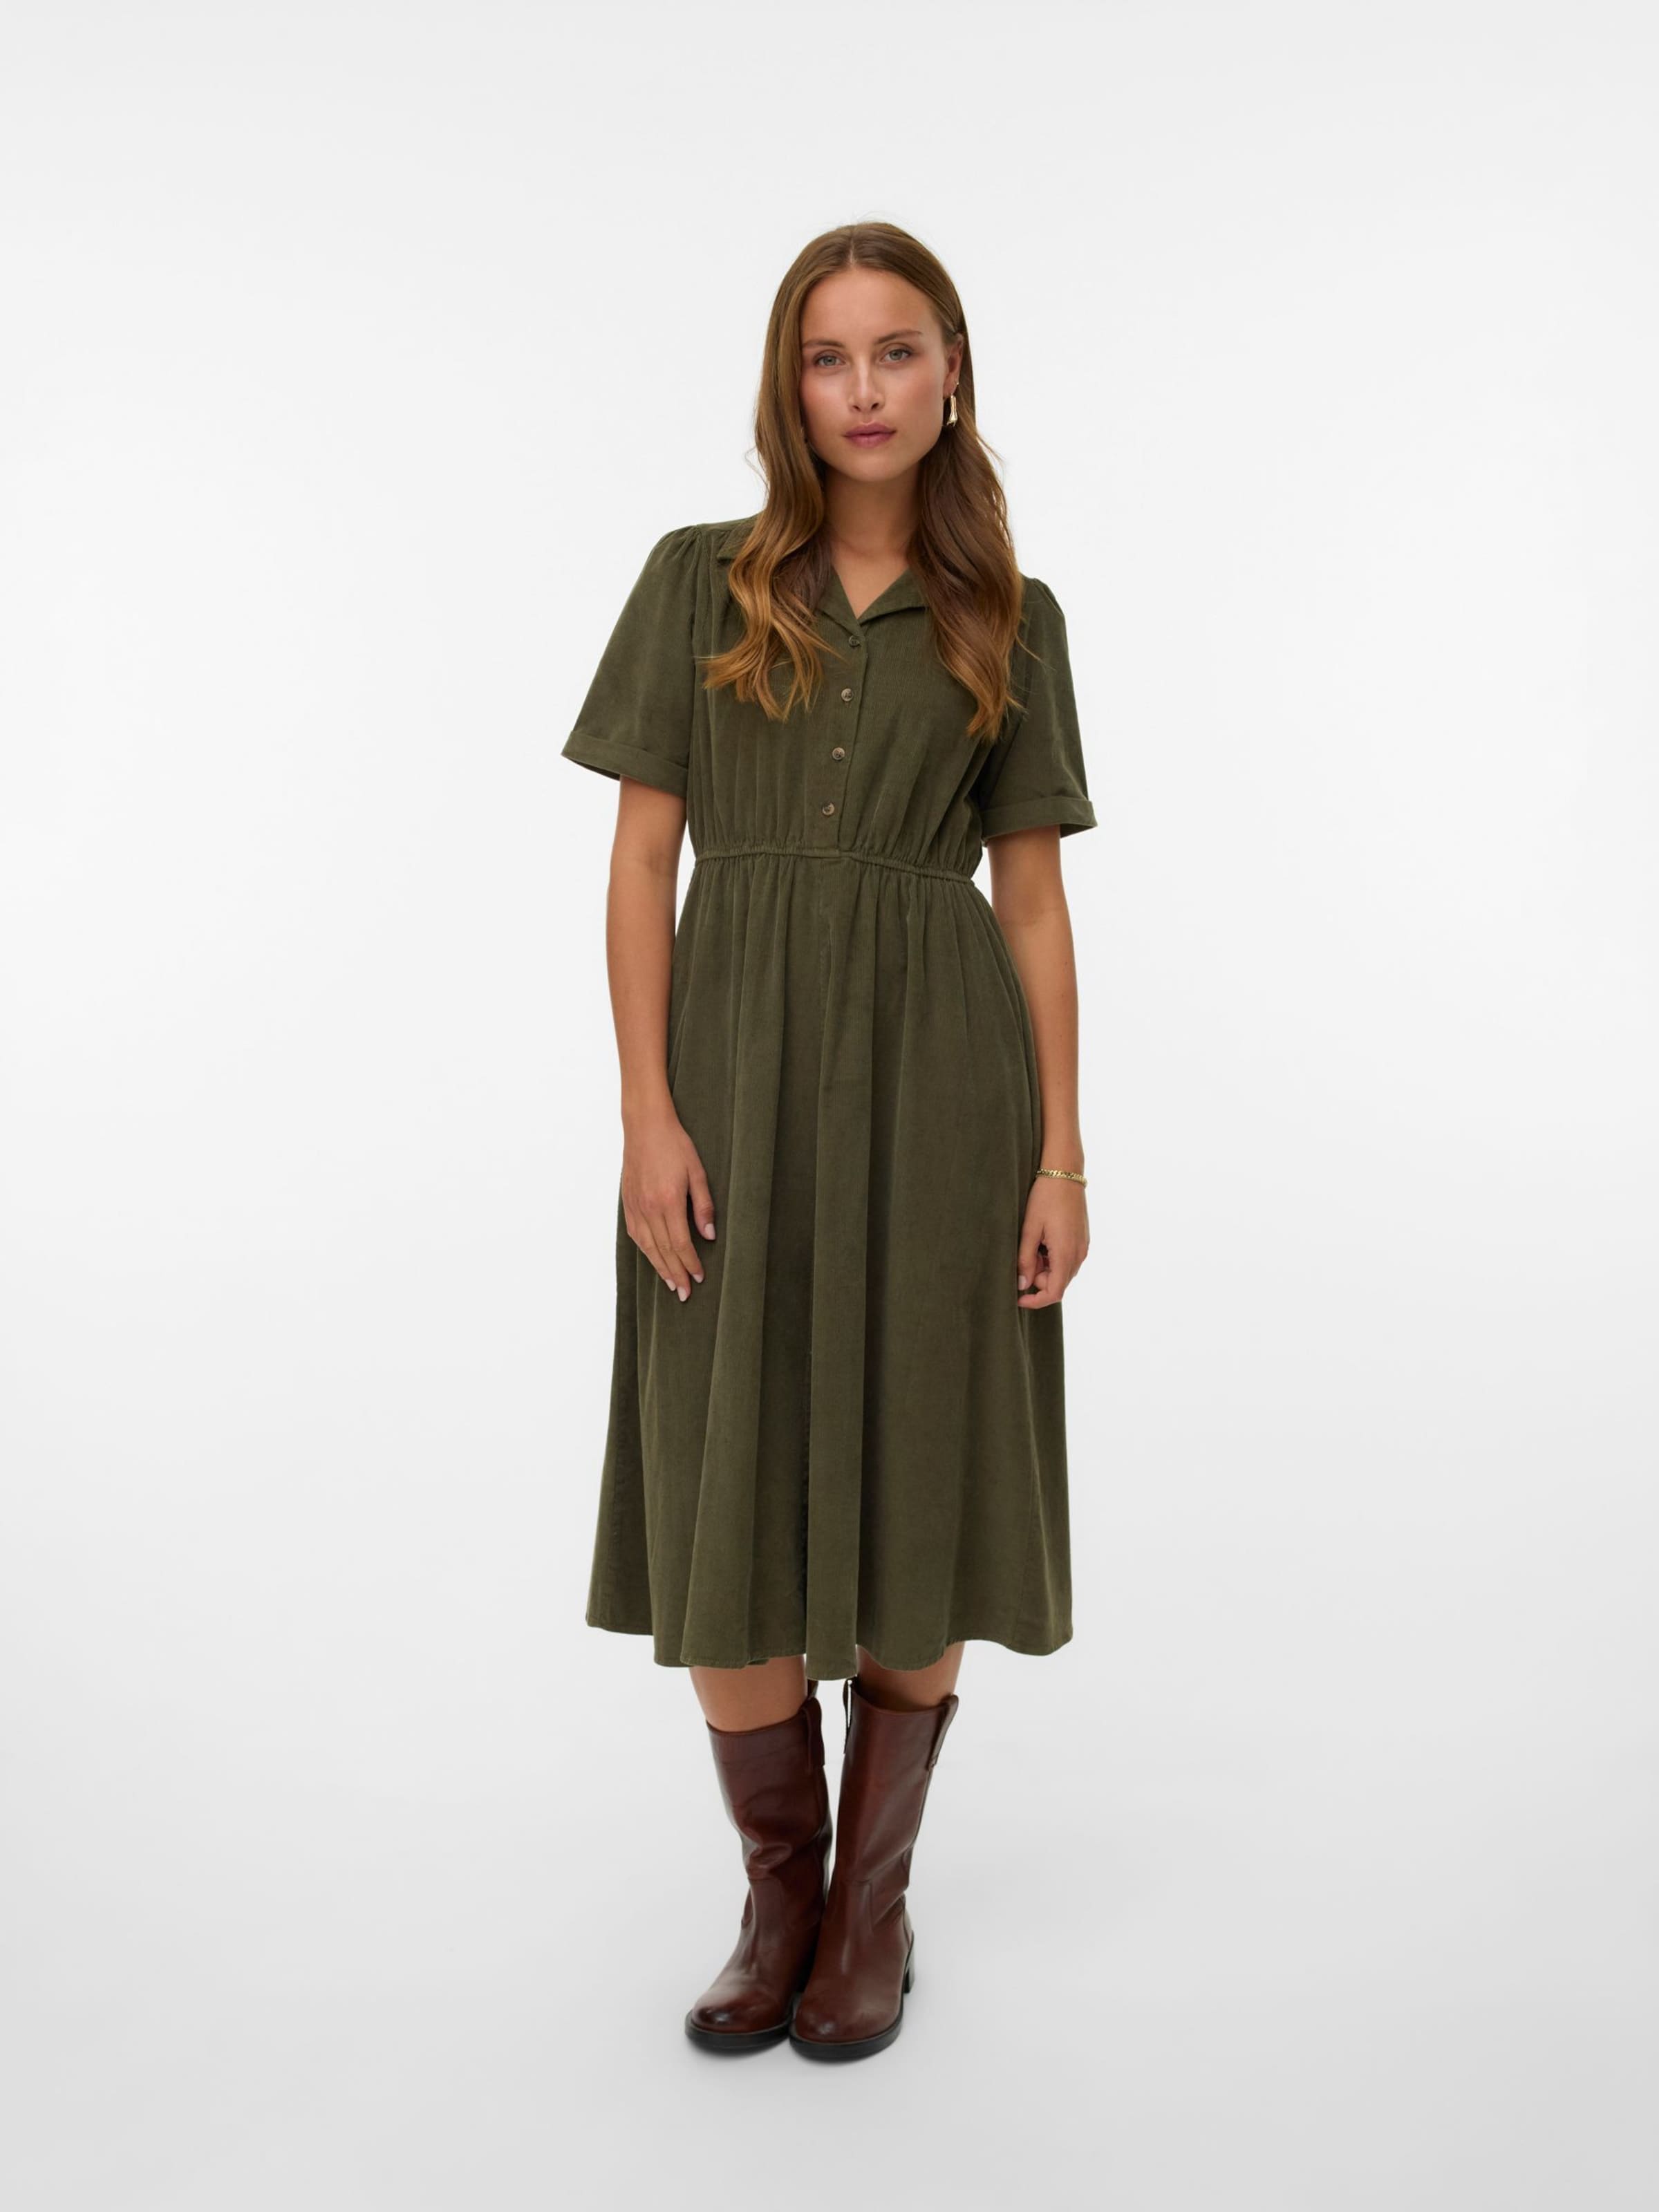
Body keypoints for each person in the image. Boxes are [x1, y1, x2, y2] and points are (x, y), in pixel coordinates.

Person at [561, 221, 1096, 2060]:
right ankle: (778, 1896)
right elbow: (642, 860)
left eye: (897, 351)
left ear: (953, 374)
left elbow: (1033, 902)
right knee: (725, 1479)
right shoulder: (697, 580)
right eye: (828, 355)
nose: (864, 389)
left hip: (945, 1090)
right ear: (788, 385)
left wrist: (1061, 1154)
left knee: (919, 1469)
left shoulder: (1014, 617)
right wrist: (646, 1112)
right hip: (732, 1083)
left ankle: (871, 1909)